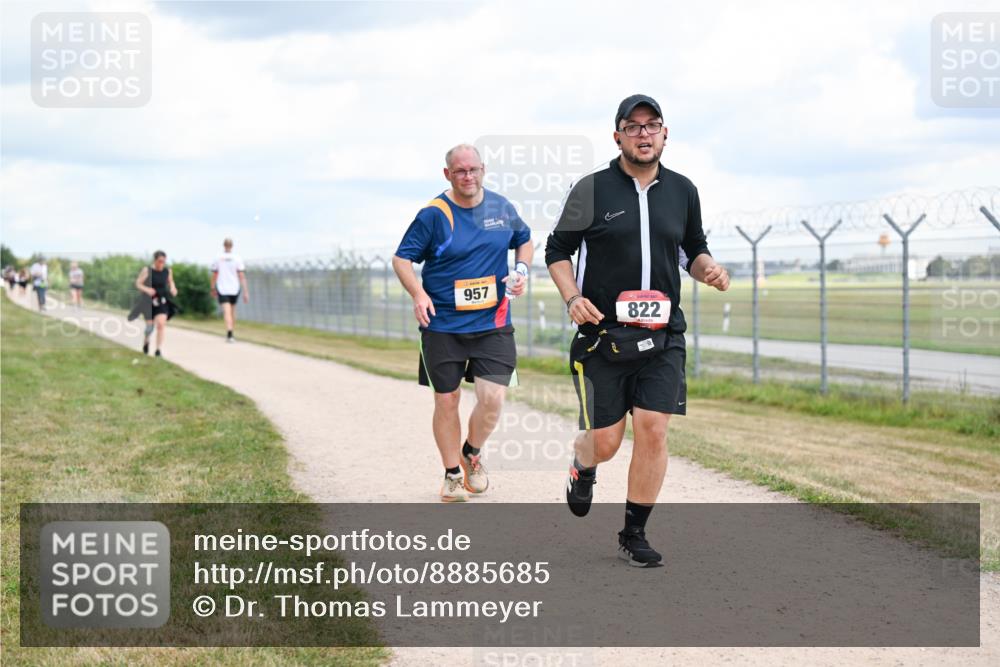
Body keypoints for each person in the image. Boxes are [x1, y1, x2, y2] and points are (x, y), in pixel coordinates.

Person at [545, 95, 730, 567]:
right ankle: (582, 464)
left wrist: (708, 269)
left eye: (653, 126)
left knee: (653, 429)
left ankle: (635, 532)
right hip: (602, 336)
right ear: (618, 136)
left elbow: (692, 248)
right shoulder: (591, 189)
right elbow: (557, 250)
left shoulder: (683, 190)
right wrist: (572, 299)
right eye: (634, 126)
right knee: (605, 442)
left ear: (665, 134)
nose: (644, 134)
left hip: (662, 335)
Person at [392, 144, 533, 502]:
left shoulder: (502, 207)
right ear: (447, 175)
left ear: (483, 169)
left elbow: (525, 240)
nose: (467, 177)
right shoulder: (434, 214)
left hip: (494, 322)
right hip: (443, 326)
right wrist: (418, 294)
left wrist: (520, 270)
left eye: (473, 170)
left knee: (493, 398)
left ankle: (471, 452)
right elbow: (402, 260)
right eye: (459, 171)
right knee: (447, 400)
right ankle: (453, 474)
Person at [128, 251, 179, 357]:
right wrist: (147, 289)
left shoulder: (167, 271)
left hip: (161, 301)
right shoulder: (147, 270)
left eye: (164, 262)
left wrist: (173, 288)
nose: (161, 264)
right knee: (150, 327)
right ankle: (146, 342)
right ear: (155, 260)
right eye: (159, 261)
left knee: (161, 324)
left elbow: (171, 282)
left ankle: (158, 350)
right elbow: (138, 284)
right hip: (147, 302)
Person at [210, 238, 249, 342]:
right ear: (232, 246)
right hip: (234, 288)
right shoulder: (237, 258)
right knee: (232, 311)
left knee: (227, 311)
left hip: (223, 288)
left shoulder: (218, 258)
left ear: (224, 245)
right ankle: (231, 332)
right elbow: (241, 276)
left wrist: (212, 287)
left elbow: (215, 274)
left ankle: (229, 332)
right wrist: (245, 291)